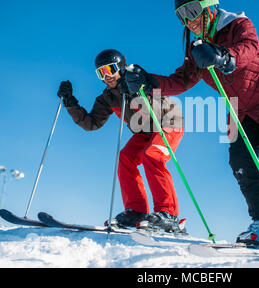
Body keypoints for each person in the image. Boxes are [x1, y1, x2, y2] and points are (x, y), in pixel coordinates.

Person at [124, 0, 259, 248]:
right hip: (240, 109)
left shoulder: (238, 24)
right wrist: (148, 80)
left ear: (210, 8)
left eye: (192, 10)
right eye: (181, 15)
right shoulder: (196, 48)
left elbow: (248, 49)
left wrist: (223, 56)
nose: (189, 20)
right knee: (241, 164)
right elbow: (182, 80)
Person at [57, 49, 185, 232]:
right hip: (144, 132)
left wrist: (135, 93)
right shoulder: (107, 98)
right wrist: (70, 103)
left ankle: (168, 213)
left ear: (121, 68)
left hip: (168, 122)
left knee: (152, 155)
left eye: (110, 69)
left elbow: (153, 112)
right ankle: (137, 212)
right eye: (101, 72)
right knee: (125, 158)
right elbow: (91, 123)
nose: (107, 76)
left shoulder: (138, 80)